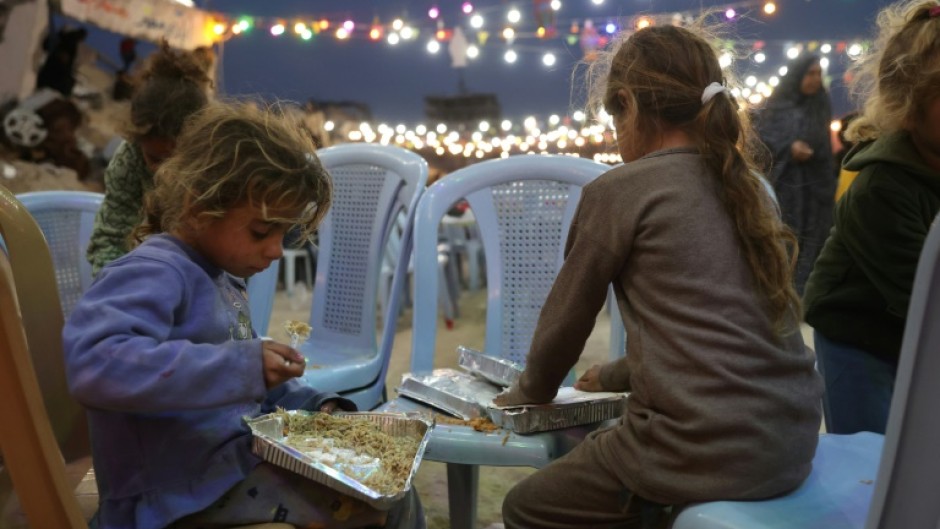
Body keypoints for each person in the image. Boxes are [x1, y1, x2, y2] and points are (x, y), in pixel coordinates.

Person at [493, 24, 822, 529]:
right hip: (792, 444)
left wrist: (526, 392)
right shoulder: (748, 188)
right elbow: (718, 333)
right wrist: (613, 375)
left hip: (694, 453)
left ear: (628, 103)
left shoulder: (621, 190)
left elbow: (564, 325)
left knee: (524, 507)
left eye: (614, 116)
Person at [63, 101, 425, 529]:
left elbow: (247, 389)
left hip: (220, 470)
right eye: (260, 231)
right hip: (167, 496)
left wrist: (318, 406)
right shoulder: (154, 270)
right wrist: (243, 364)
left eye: (282, 234)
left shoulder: (221, 276)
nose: (274, 251)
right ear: (200, 205)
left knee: (386, 481)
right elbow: (95, 363)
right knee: (374, 504)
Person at [803, 0, 940, 435]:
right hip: (858, 335)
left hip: (914, 335)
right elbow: (925, 297)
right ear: (908, 104)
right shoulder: (881, 187)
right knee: (869, 465)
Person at [86, 41, 212, 276]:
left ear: (199, 145)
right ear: (137, 140)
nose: (163, 171)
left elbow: (232, 252)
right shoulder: (129, 161)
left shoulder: (218, 166)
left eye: (176, 160)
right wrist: (117, 288)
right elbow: (110, 239)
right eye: (155, 158)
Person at [753, 53, 835, 295]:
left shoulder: (821, 105)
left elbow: (824, 145)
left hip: (814, 189)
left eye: (818, 74)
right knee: (783, 240)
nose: (815, 79)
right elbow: (763, 142)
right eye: (810, 73)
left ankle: (805, 296)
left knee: (813, 241)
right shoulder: (777, 106)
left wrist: (811, 151)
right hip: (784, 187)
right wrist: (789, 148)